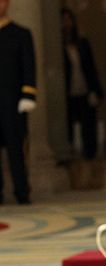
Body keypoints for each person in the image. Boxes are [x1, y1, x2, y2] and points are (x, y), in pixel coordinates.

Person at [0, 0, 35, 204]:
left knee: (16, 149)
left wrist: (28, 95)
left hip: (13, 104)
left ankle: (22, 191)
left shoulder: (20, 34)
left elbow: (29, 67)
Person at [61, 7, 103, 161]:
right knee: (67, 125)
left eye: (68, 19)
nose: (66, 23)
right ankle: (69, 154)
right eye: (63, 20)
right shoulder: (56, 46)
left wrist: (96, 90)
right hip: (67, 92)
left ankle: (90, 154)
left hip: (84, 89)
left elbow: (91, 68)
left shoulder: (82, 42)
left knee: (88, 124)